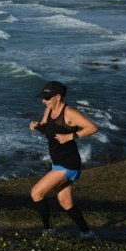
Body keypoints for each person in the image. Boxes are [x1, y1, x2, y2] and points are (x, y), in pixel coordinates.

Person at [29, 81, 98, 239]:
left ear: (58, 97)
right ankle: (87, 233)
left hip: (68, 163)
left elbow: (92, 127)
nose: (44, 101)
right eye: (43, 98)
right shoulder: (49, 110)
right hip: (57, 162)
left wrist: (70, 136)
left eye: (47, 98)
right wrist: (37, 127)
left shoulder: (69, 113)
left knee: (36, 193)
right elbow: (46, 129)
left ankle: (49, 231)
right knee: (65, 202)